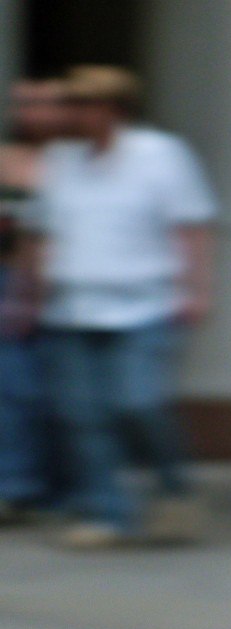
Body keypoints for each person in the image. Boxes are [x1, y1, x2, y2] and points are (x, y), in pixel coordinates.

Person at [16, 66, 216, 548]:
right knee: (82, 415)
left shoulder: (161, 155)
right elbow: (40, 234)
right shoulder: (61, 160)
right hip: (73, 307)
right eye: (71, 106)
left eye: (83, 106)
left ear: (114, 110)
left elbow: (190, 226)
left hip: (144, 303)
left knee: (138, 402)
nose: (73, 116)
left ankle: (175, 490)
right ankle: (109, 514)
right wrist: (30, 296)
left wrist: (199, 289)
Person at [0, 78, 70, 518]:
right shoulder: (7, 159)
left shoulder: (84, 161)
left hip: (69, 281)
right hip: (9, 278)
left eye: (46, 104)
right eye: (26, 104)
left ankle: (66, 488)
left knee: (65, 393)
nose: (34, 114)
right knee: (14, 388)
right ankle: (15, 484)